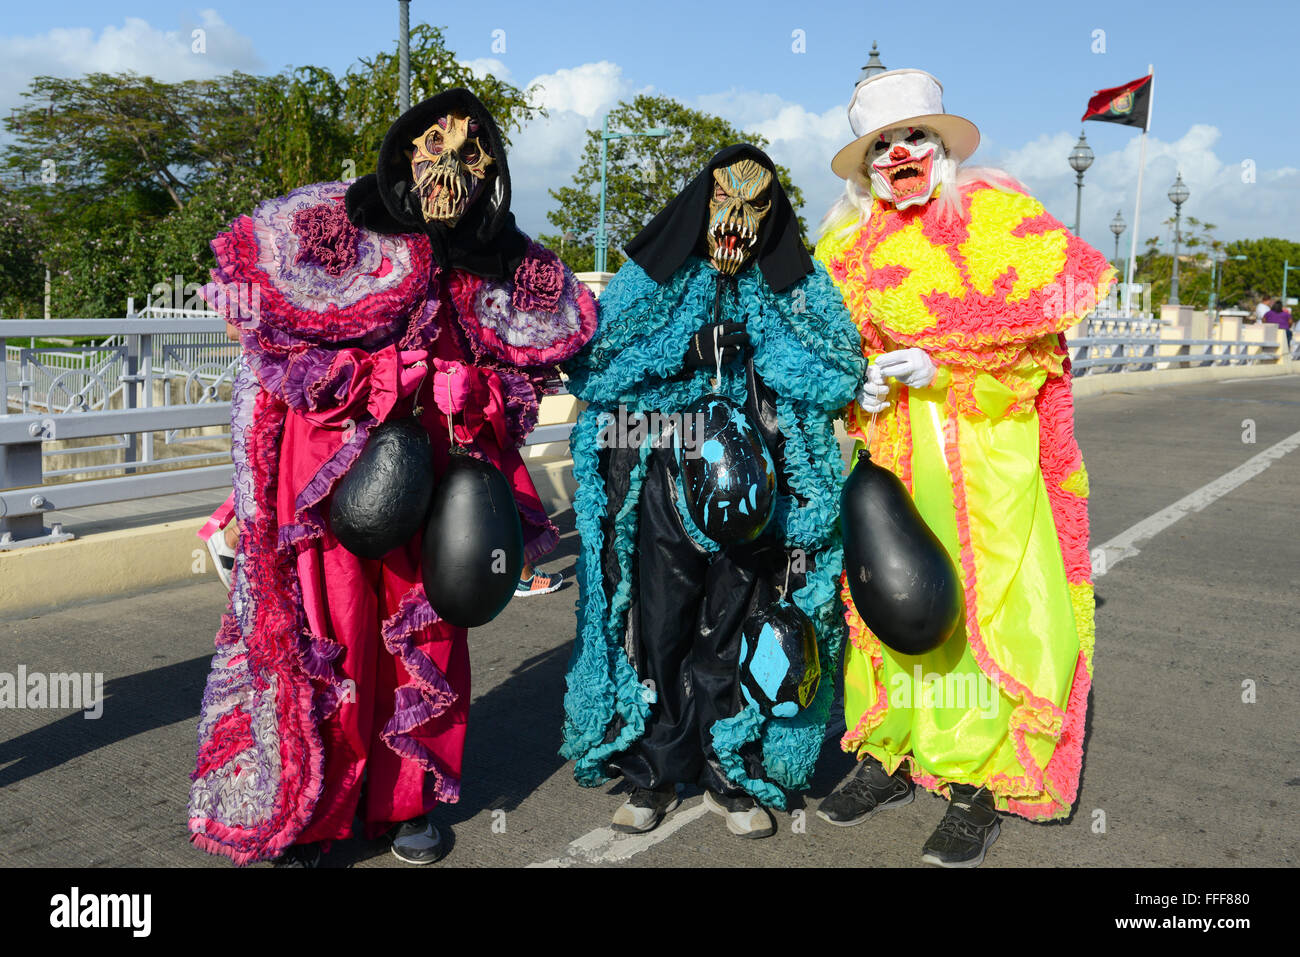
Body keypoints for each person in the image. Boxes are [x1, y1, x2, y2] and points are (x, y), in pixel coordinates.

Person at [187, 88, 596, 867]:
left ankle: (403, 802)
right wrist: (379, 376)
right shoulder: (335, 226)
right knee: (330, 636)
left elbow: (538, 362)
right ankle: (316, 812)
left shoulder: (500, 256)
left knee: (427, 638)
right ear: (406, 148)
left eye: (473, 152)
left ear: (492, 172)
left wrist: (465, 388)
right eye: (433, 143)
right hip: (331, 480)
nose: (449, 163)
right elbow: (280, 352)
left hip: (440, 481)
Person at [813, 69, 1113, 866]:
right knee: (890, 591)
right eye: (884, 142)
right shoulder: (844, 246)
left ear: (942, 148)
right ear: (867, 161)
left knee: (989, 602)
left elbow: (1040, 335)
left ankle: (982, 777)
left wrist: (941, 364)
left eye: (917, 137)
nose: (902, 151)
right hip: (890, 451)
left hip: (984, 450)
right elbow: (823, 351)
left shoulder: (999, 217)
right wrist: (859, 380)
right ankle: (893, 749)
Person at [561, 145, 865, 838]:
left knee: (736, 623)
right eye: (723, 201)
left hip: (759, 499)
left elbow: (837, 363)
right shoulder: (650, 282)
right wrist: (684, 353)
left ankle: (732, 769)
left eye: (755, 207)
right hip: (663, 484)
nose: (735, 221)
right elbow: (597, 364)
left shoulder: (794, 288)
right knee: (660, 628)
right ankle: (657, 770)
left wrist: (761, 346)